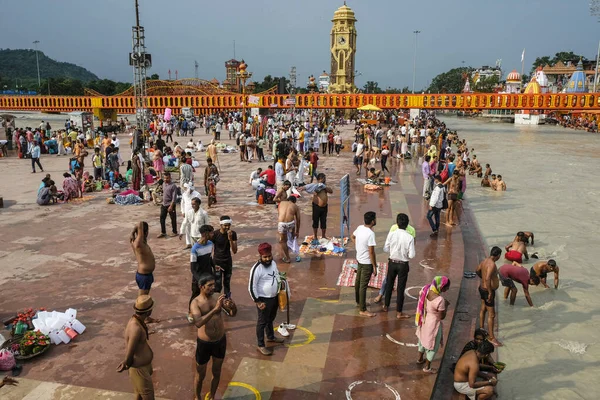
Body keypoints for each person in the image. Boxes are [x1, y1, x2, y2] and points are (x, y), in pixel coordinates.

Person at [190, 274, 237, 400]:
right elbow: (198, 322)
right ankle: (197, 397)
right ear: (201, 286)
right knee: (200, 374)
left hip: (219, 341)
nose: (213, 287)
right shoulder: (195, 303)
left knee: (216, 372)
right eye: (209, 285)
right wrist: (215, 310)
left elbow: (232, 314)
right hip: (204, 343)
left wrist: (233, 307)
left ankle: (212, 395)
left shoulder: (217, 296)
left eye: (213, 285)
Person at [116, 295, 156, 399]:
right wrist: (127, 363)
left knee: (139, 395)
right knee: (148, 396)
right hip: (139, 369)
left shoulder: (137, 320)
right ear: (148, 312)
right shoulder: (136, 328)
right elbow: (131, 350)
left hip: (143, 367)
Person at [248, 243, 284, 355]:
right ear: (260, 256)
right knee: (262, 322)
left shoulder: (273, 263)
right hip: (263, 299)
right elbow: (251, 287)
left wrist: (280, 283)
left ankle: (270, 337)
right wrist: (258, 302)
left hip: (274, 297)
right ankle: (260, 345)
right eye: (265, 257)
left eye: (269, 256)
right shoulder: (256, 269)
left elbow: (277, 274)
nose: (267, 259)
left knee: (271, 318)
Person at [382, 213, 415, 319]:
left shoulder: (392, 234)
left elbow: (385, 249)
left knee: (389, 284)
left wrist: (393, 250)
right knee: (401, 288)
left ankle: (386, 305)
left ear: (397, 223)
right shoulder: (410, 237)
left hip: (392, 262)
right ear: (407, 225)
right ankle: (399, 312)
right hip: (403, 264)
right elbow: (412, 255)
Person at [415, 276, 451, 373]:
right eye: (446, 287)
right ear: (441, 286)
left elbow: (420, 297)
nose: (446, 290)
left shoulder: (425, 289)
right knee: (432, 345)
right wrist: (446, 306)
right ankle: (427, 367)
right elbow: (441, 316)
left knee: (422, 340)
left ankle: (419, 359)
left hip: (424, 319)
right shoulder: (440, 300)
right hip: (433, 324)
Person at [130, 221, 159, 324]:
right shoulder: (139, 243)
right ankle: (139, 322)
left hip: (145, 275)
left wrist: (135, 232)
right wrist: (135, 230)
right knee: (141, 301)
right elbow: (140, 223)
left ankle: (146, 318)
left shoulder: (139, 242)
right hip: (144, 276)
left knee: (144, 299)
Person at [352, 211, 378, 317]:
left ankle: (359, 302)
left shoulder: (359, 228)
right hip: (367, 262)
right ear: (372, 221)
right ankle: (363, 309)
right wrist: (374, 266)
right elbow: (371, 252)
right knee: (363, 285)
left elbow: (352, 237)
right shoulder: (370, 234)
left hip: (359, 259)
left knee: (358, 282)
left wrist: (358, 246)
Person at [476, 246, 503, 347]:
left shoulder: (485, 261)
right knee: (491, 314)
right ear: (498, 256)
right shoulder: (492, 264)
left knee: (483, 309)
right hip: (487, 291)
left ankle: (482, 329)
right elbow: (487, 278)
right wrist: (490, 292)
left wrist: (482, 280)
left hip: (482, 289)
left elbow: (477, 270)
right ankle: (491, 338)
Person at [189, 225, 216, 321]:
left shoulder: (210, 244)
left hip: (208, 274)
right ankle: (191, 313)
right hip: (199, 277)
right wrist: (199, 280)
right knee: (195, 294)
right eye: (211, 232)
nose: (213, 234)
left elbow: (209, 258)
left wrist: (214, 266)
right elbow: (192, 268)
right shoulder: (195, 249)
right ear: (205, 234)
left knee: (210, 293)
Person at [212, 216, 238, 297]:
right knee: (218, 283)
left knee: (227, 283)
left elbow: (234, 251)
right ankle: (217, 301)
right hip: (217, 262)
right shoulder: (215, 234)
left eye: (229, 225)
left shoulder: (233, 234)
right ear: (221, 225)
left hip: (227, 261)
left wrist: (230, 239)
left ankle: (227, 300)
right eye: (225, 225)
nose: (227, 227)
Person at [277, 194, 301, 263]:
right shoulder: (295, 206)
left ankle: (288, 258)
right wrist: (297, 231)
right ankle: (295, 251)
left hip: (282, 223)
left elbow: (279, 214)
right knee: (292, 237)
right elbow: (298, 220)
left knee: (283, 241)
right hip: (291, 224)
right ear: (294, 201)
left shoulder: (281, 203)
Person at [311, 173, 333, 244]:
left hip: (324, 207)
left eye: (325, 178)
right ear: (319, 179)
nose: (325, 180)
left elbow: (331, 191)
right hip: (316, 206)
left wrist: (325, 187)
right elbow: (313, 192)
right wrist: (316, 190)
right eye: (323, 178)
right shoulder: (316, 186)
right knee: (315, 221)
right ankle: (315, 236)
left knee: (324, 221)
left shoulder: (324, 186)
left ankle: (323, 235)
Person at [157, 172, 178, 238]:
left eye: (167, 178)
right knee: (162, 218)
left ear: (170, 178)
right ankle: (163, 232)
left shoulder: (173, 186)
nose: (166, 179)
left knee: (173, 219)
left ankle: (174, 232)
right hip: (164, 204)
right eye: (165, 178)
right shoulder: (163, 184)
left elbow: (174, 197)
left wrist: (171, 206)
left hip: (170, 204)